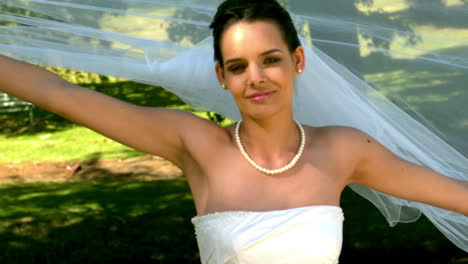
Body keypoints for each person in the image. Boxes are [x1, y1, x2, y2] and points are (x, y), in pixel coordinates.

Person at [0, 0, 467, 263]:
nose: (256, 78)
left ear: (297, 62)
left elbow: (458, 194)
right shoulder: (196, 144)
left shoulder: (344, 149)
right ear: (221, 76)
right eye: (238, 66)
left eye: (270, 60)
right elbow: (58, 92)